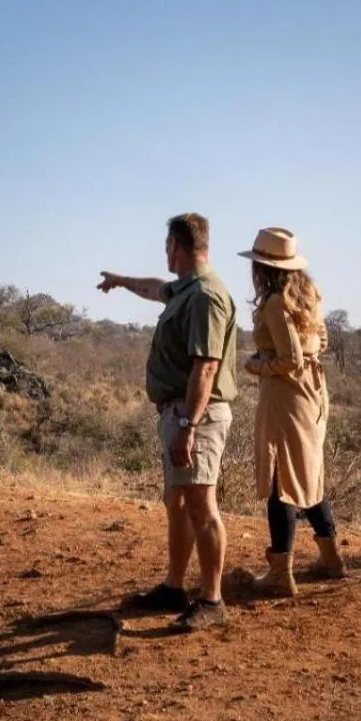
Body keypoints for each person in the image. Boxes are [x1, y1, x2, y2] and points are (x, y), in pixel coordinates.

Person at [98, 213, 238, 631]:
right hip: (179, 411)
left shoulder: (206, 296)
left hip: (198, 413)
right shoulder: (186, 290)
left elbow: (207, 367)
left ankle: (212, 600)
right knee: (177, 501)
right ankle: (174, 586)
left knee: (200, 504)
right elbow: (155, 288)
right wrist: (122, 281)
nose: (164, 254)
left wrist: (189, 425)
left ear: (176, 245)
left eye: (166, 246)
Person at [239, 227, 346, 594]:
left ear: (263, 267)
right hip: (313, 392)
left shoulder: (274, 302)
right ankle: (331, 558)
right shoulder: (309, 294)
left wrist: (255, 365)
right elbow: (322, 340)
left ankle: (280, 573)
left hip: (286, 396)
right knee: (307, 472)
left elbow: (289, 359)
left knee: (281, 479)